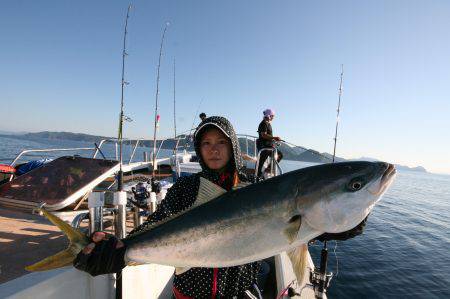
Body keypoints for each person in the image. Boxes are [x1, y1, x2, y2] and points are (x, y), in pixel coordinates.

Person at [74, 116, 262, 298]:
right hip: (190, 292)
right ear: (199, 148)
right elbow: (159, 220)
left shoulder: (254, 187)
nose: (214, 149)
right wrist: (119, 248)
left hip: (238, 291)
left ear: (232, 146)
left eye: (221, 142)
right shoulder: (186, 187)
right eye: (206, 143)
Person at [256, 109, 283, 178]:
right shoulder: (264, 123)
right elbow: (263, 135)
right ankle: (259, 176)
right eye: (273, 116)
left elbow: (266, 135)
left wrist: (273, 139)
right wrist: (274, 138)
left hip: (268, 146)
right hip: (265, 146)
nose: (273, 117)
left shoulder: (267, 123)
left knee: (261, 162)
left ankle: (264, 171)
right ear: (269, 115)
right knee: (279, 155)